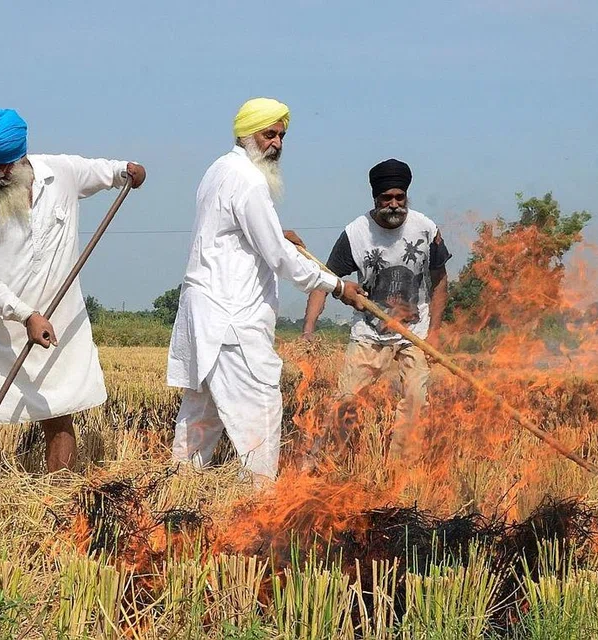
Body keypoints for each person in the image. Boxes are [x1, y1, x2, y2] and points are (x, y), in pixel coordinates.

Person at [166, 97, 365, 485]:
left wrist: (277, 232)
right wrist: (338, 285)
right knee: (260, 409)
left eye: (281, 136)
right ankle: (259, 506)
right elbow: (278, 257)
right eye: (269, 134)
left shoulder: (219, 170)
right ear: (247, 135)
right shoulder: (249, 181)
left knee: (200, 416)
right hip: (231, 319)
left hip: (205, 314)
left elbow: (249, 235)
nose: (277, 143)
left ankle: (176, 494)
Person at [0, 108, 146, 474]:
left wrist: (128, 171)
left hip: (57, 322)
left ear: (20, 156)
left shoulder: (61, 172)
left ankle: (59, 504)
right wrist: (26, 315)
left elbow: (107, 171)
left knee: (57, 415)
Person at [301, 159, 451, 463]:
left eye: (400, 198)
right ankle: (322, 466)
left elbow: (440, 281)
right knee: (346, 401)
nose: (394, 205)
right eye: (387, 199)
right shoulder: (356, 234)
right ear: (375, 199)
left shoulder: (426, 229)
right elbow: (324, 282)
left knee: (416, 399)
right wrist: (308, 329)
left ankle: (401, 472)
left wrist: (434, 332)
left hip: (414, 334)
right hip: (369, 335)